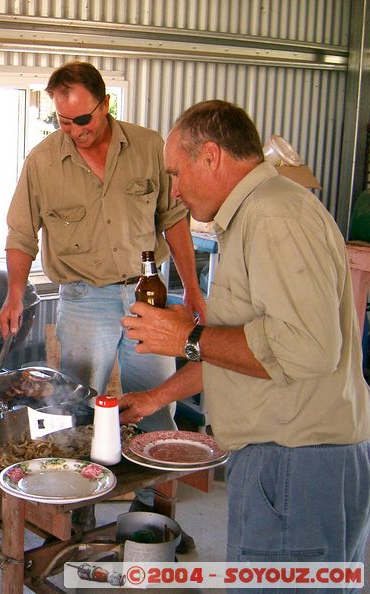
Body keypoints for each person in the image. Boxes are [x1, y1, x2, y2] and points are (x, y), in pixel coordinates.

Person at [120, 99, 370, 576]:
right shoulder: (257, 214)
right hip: (284, 458)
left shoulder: (275, 216)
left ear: (211, 156)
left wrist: (188, 336)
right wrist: (156, 397)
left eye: (177, 173)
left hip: (296, 461)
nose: (175, 190)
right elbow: (246, 347)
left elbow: (307, 350)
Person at [0, 61, 206, 548]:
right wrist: (13, 292)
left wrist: (193, 291)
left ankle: (153, 516)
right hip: (83, 298)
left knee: (156, 406)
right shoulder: (43, 161)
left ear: (105, 104)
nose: (74, 131)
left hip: (148, 297)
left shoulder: (148, 146)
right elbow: (21, 233)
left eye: (82, 119)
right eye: (62, 121)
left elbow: (173, 219)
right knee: (77, 409)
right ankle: (75, 518)